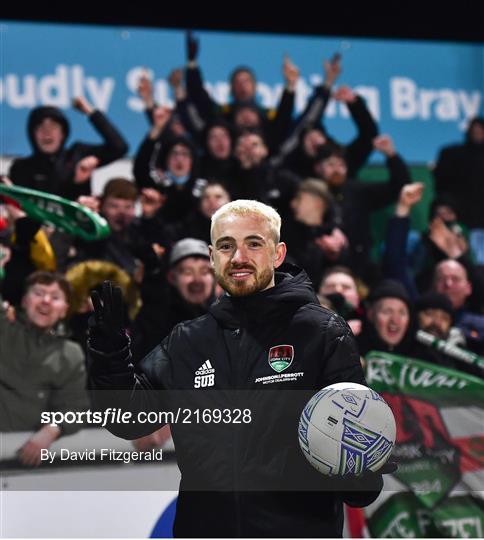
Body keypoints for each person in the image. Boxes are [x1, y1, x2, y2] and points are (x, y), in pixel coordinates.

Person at [87, 199, 393, 538]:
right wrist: (110, 350)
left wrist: (362, 468)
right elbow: (126, 419)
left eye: (253, 244)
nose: (238, 258)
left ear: (277, 254)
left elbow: (360, 484)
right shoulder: (187, 340)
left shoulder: (321, 333)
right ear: (212, 256)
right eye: (226, 246)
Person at [0, 271, 88, 466]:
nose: (46, 301)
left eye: (55, 297)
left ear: (64, 309)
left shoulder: (70, 355)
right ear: (24, 301)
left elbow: (75, 407)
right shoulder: (3, 331)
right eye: (38, 293)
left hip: (26, 464)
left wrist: (51, 430)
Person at [9, 98, 128, 199]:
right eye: (40, 127)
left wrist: (90, 112)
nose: (47, 132)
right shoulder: (21, 168)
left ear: (63, 134)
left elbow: (119, 147)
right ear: (32, 134)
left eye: (53, 127)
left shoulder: (78, 155)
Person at [131, 238, 216, 361]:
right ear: (172, 278)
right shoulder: (158, 321)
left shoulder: (222, 317)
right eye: (188, 272)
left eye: (204, 271)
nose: (197, 281)